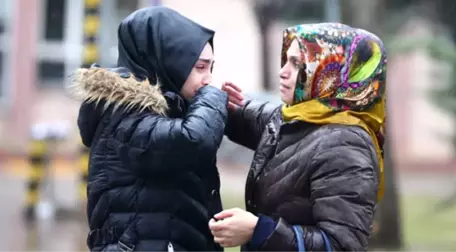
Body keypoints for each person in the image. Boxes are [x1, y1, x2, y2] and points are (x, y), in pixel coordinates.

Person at [209, 23, 386, 252]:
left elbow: (342, 245)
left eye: (297, 64)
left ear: (331, 72)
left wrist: (260, 230)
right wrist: (208, 99)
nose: (282, 72)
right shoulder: (300, 117)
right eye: (286, 61)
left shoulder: (347, 145)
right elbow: (246, 117)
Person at [69, 6, 228, 252]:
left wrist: (238, 111)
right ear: (170, 62)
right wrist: (215, 99)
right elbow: (193, 141)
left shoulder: (169, 110)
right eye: (200, 67)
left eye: (211, 68)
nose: (208, 79)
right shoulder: (123, 113)